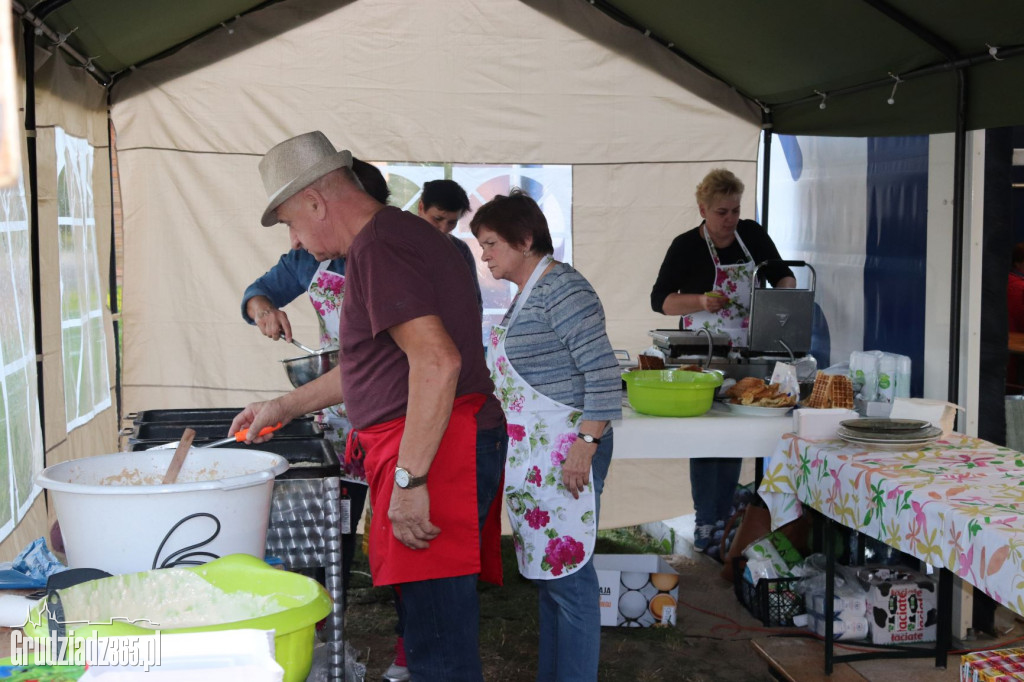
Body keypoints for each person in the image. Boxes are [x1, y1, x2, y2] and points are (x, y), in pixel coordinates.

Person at [231, 131, 507, 681]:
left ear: (316, 200)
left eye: (290, 221)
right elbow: (373, 367)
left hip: (436, 448)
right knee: (436, 624)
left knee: (438, 643)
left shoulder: (381, 247)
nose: (295, 238)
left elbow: (437, 363)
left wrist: (410, 481)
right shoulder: (394, 239)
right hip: (439, 441)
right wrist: (284, 405)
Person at [470, 189, 621, 681]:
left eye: (491, 243)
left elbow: (601, 375)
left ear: (525, 238)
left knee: (571, 580)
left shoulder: (564, 290)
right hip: (537, 451)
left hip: (570, 446)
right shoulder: (528, 294)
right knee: (550, 580)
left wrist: (587, 444)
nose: (485, 254)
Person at [240, 157, 389, 614]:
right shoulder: (309, 257)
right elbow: (257, 291)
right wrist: (265, 311)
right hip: (335, 407)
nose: (296, 239)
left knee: (392, 528)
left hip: (388, 409)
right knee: (334, 522)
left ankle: (407, 640)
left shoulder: (389, 256)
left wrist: (285, 405)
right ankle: (325, 615)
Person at [649, 168, 795, 553]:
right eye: (721, 212)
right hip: (700, 352)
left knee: (731, 437)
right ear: (703, 209)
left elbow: (784, 278)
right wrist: (700, 301)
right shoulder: (686, 246)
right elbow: (660, 301)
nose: (729, 220)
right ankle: (706, 520)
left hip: (748, 352)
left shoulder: (753, 235)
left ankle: (724, 517)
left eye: (734, 210)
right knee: (707, 436)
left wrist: (777, 307)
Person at [417, 179, 483, 312]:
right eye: (437, 219)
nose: (443, 228)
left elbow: (474, 303)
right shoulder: (398, 245)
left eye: (452, 222)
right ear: (421, 208)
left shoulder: (460, 250)